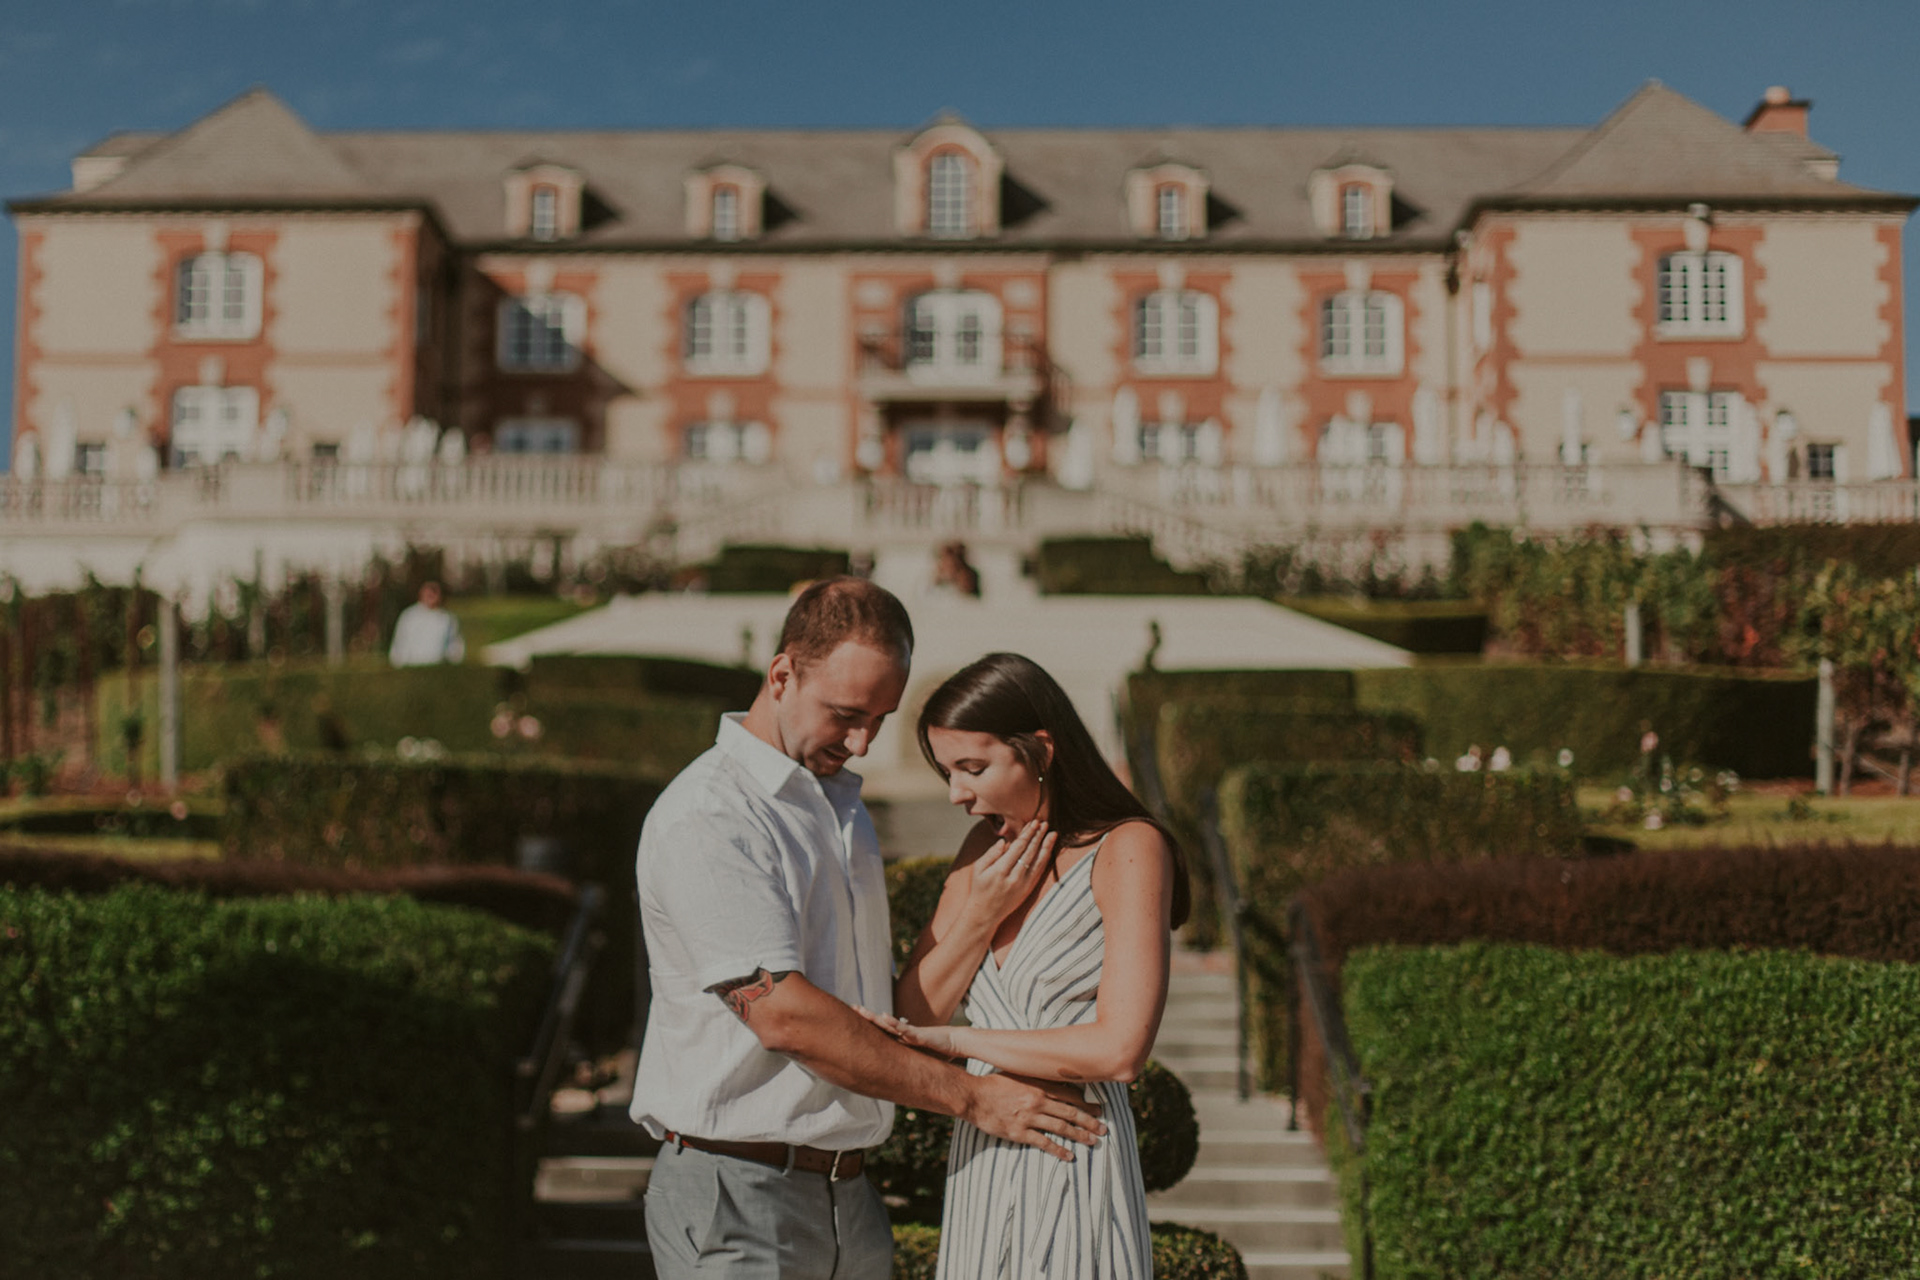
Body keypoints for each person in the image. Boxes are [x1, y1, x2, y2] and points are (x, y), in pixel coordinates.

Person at [632, 580, 1107, 1280]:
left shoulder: (839, 808)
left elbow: (886, 1019)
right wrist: (976, 1099)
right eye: (847, 715)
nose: (860, 742)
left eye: (881, 719)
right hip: (737, 1191)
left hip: (848, 1197)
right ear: (782, 674)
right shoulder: (712, 817)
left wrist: (978, 918)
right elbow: (787, 1018)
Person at [860, 651, 1189, 1279]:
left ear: (1040, 749)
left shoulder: (1130, 848)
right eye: (946, 771)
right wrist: (981, 914)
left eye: (973, 767)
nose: (957, 793)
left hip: (1075, 1146)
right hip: (983, 1151)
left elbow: (1120, 1049)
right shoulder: (983, 848)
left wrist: (956, 1041)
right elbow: (909, 1012)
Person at [387, 581, 464, 666]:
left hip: (438, 665)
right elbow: (400, 642)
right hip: (413, 665)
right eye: (428, 593)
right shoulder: (409, 616)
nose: (431, 596)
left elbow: (455, 645)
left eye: (434, 593)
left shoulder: (447, 619)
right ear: (421, 594)